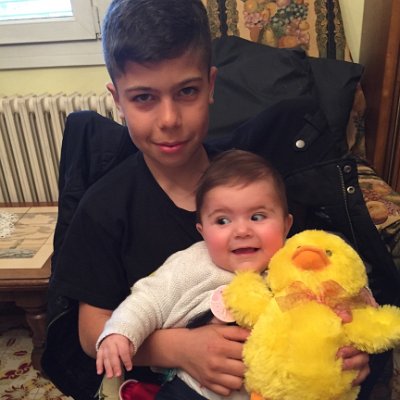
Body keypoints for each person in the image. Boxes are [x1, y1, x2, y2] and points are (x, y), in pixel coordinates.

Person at [42, 1, 371, 399]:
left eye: (187, 91)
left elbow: (317, 272)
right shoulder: (104, 208)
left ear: (211, 85)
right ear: (117, 99)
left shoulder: (258, 185)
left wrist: (346, 342)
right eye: (144, 98)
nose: (169, 119)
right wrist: (178, 348)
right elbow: (89, 332)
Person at [96, 149, 293, 400]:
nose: (242, 231)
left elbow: (332, 297)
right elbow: (146, 301)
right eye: (222, 221)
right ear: (202, 231)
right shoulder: (191, 264)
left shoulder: (298, 262)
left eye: (257, 216)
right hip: (195, 390)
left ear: (286, 225)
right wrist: (120, 332)